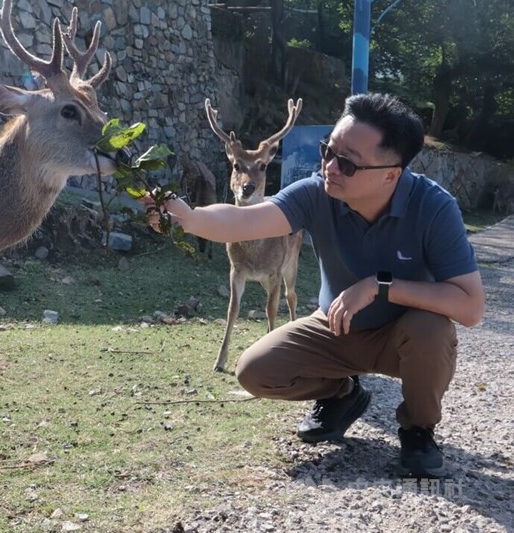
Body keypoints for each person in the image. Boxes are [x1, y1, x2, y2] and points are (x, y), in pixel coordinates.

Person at [147, 92, 485, 478]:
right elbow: (243, 221)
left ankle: (418, 430)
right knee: (254, 371)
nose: (330, 167)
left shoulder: (434, 207)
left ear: (392, 173)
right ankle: (341, 394)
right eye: (328, 151)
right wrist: (187, 217)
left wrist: (379, 285)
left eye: (347, 163)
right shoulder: (317, 192)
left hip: (403, 338)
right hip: (335, 328)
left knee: (432, 329)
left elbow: (470, 306)